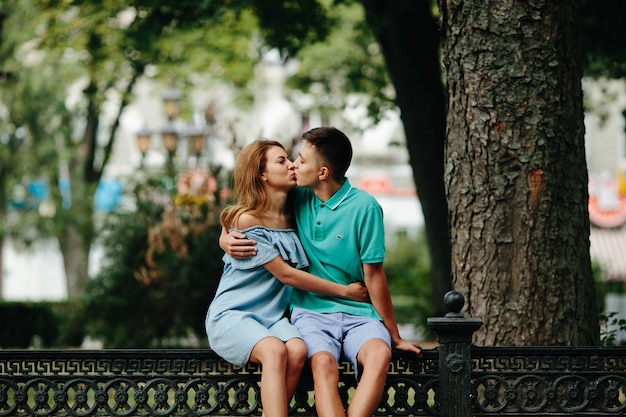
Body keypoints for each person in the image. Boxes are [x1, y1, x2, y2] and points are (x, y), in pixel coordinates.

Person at [221, 127, 422, 417]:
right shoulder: (296, 197)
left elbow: (374, 276)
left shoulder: (365, 207)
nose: (293, 164)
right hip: (310, 312)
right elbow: (247, 211)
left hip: (360, 313)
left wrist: (394, 334)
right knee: (323, 363)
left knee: (380, 355)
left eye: (301, 160)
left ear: (323, 172)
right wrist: (225, 237)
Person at [205, 139, 369, 417]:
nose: (292, 164)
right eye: (281, 161)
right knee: (275, 352)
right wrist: (345, 291)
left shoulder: (295, 209)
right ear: (261, 173)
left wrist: (223, 237)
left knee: (296, 349)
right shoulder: (248, 219)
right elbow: (286, 274)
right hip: (234, 315)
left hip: (272, 318)